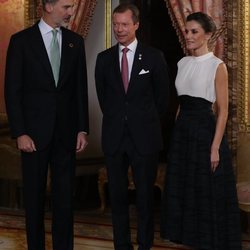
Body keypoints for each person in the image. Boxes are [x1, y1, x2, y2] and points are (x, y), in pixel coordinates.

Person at [4, 0, 89, 249]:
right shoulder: (21, 41)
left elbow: (79, 91)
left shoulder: (76, 42)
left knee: (65, 201)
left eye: (72, 7)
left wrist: (82, 128)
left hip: (66, 135)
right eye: (66, 6)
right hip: (33, 136)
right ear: (48, 6)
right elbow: (12, 91)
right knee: (34, 199)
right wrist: (19, 132)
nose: (71, 12)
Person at [160, 12, 242, 250]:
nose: (188, 35)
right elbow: (180, 103)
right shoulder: (182, 63)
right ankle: (187, 237)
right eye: (186, 31)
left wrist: (215, 147)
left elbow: (223, 111)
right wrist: (178, 130)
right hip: (183, 131)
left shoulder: (218, 66)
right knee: (184, 187)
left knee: (205, 189)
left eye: (194, 31)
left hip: (205, 132)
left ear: (208, 35)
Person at [95, 3, 169, 250]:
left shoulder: (154, 57)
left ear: (136, 24)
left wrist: (140, 120)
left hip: (145, 137)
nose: (119, 29)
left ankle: (144, 245)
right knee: (117, 198)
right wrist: (122, 118)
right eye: (116, 24)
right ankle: (122, 245)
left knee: (145, 198)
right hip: (115, 136)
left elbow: (162, 100)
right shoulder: (103, 59)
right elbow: (104, 98)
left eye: (124, 24)